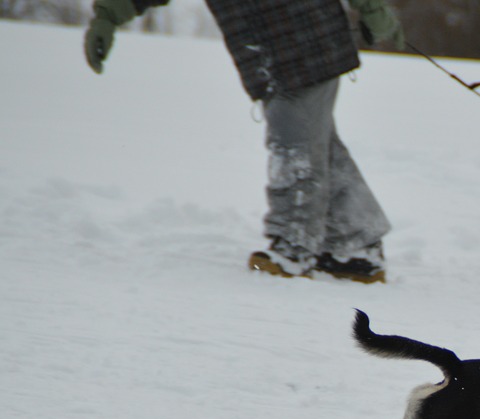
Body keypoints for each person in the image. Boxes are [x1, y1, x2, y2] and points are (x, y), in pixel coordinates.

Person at [84, 0, 403, 284]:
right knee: (318, 145)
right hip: (265, 52)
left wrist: (373, 9)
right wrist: (109, 15)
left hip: (310, 41)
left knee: (295, 146)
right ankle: (356, 246)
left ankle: (294, 245)